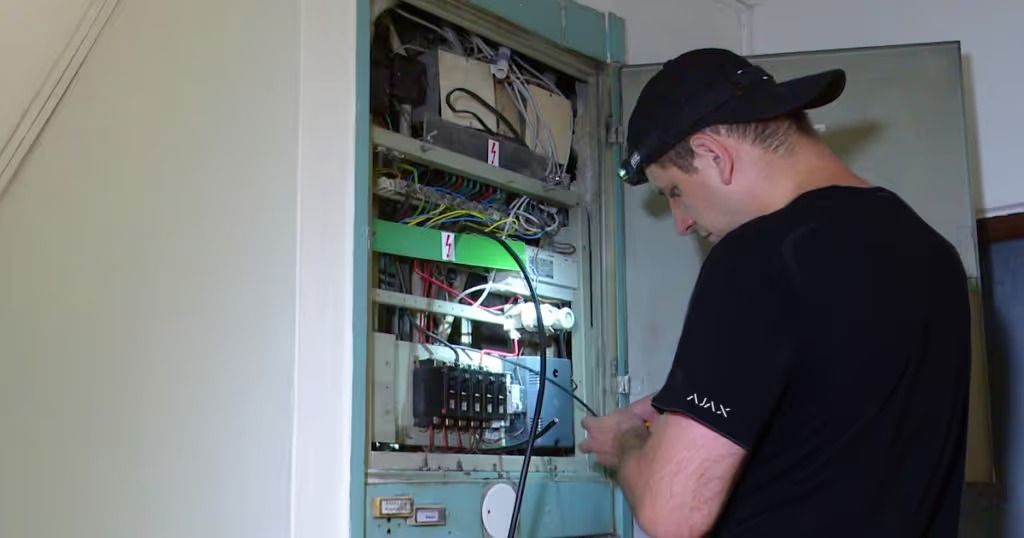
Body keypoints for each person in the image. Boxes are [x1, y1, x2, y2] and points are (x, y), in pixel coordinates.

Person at [580, 48, 970, 537]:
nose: (681, 223)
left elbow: (672, 512)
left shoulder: (755, 256)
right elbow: (834, 408)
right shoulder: (934, 256)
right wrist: (678, 404)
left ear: (714, 156)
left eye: (672, 191)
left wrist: (626, 442)